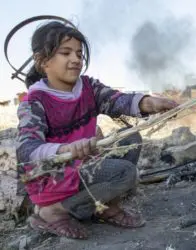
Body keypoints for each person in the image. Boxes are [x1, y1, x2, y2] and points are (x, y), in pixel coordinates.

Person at [15, 21, 179, 239]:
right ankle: (52, 211)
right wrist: (67, 149)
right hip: (54, 178)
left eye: (79, 54)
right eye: (66, 53)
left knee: (131, 139)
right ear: (42, 61)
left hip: (83, 165)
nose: (76, 59)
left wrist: (149, 103)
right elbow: (27, 150)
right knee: (125, 173)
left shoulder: (88, 87)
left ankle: (105, 206)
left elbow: (116, 101)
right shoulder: (34, 101)